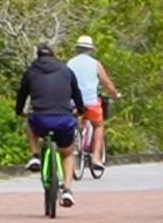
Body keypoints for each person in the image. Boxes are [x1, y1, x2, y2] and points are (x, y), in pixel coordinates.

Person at [15, 45, 86, 207]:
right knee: (67, 154)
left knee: (30, 121)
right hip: (64, 120)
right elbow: (77, 94)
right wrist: (80, 111)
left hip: (40, 120)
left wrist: (20, 111)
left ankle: (34, 156)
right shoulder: (66, 71)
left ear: (37, 56)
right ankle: (67, 190)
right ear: (54, 56)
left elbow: (21, 95)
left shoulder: (31, 72)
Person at [66, 34, 122, 168]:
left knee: (74, 120)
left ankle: (74, 143)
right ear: (90, 49)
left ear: (77, 49)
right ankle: (96, 157)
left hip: (72, 100)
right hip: (90, 101)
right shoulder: (95, 64)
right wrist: (115, 94)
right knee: (98, 125)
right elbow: (106, 82)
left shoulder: (69, 63)